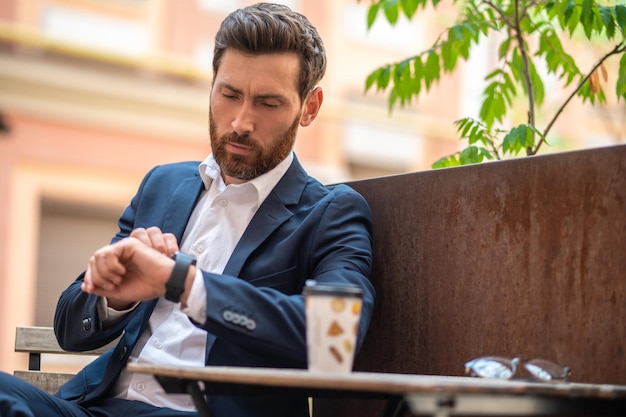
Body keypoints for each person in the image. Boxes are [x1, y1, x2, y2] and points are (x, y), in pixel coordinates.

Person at [0, 3, 375, 417]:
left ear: (310, 107)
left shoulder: (331, 214)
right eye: (229, 95)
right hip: (96, 407)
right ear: (212, 85)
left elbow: (334, 341)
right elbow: (69, 330)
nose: (240, 121)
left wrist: (183, 283)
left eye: (268, 103)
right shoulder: (163, 185)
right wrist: (113, 298)